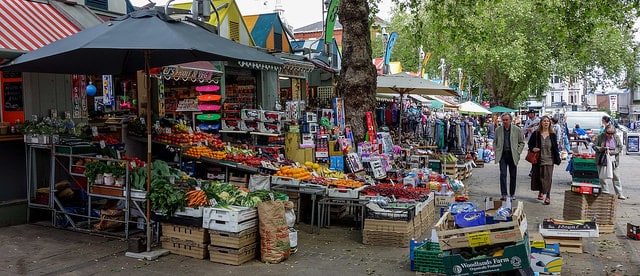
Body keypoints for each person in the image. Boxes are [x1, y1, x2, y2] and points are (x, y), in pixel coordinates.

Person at [528, 116, 561, 205]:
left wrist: (558, 158)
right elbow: (530, 144)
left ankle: (548, 196)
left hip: (549, 159)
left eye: (547, 121)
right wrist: (532, 149)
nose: (546, 123)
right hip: (538, 159)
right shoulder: (536, 133)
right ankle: (541, 191)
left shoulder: (552, 135)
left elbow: (555, 148)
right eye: (544, 121)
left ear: (550, 123)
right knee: (539, 177)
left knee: (548, 178)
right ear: (541, 123)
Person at [493, 113, 525, 201]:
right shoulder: (498, 130)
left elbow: (521, 142)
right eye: (503, 120)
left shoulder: (516, 129)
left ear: (510, 120)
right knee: (503, 174)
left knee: (513, 175)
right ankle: (504, 194)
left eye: (507, 120)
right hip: (502, 155)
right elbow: (494, 141)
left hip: (512, 155)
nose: (505, 122)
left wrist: (518, 152)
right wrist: (496, 149)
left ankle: (512, 194)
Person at [593, 124, 627, 200]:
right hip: (602, 158)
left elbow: (620, 147)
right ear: (605, 132)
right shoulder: (600, 137)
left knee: (616, 176)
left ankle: (619, 193)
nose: (610, 135)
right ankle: (605, 191)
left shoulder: (616, 137)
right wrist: (602, 148)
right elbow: (594, 146)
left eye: (612, 133)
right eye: (608, 133)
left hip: (613, 159)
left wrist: (613, 152)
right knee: (602, 176)